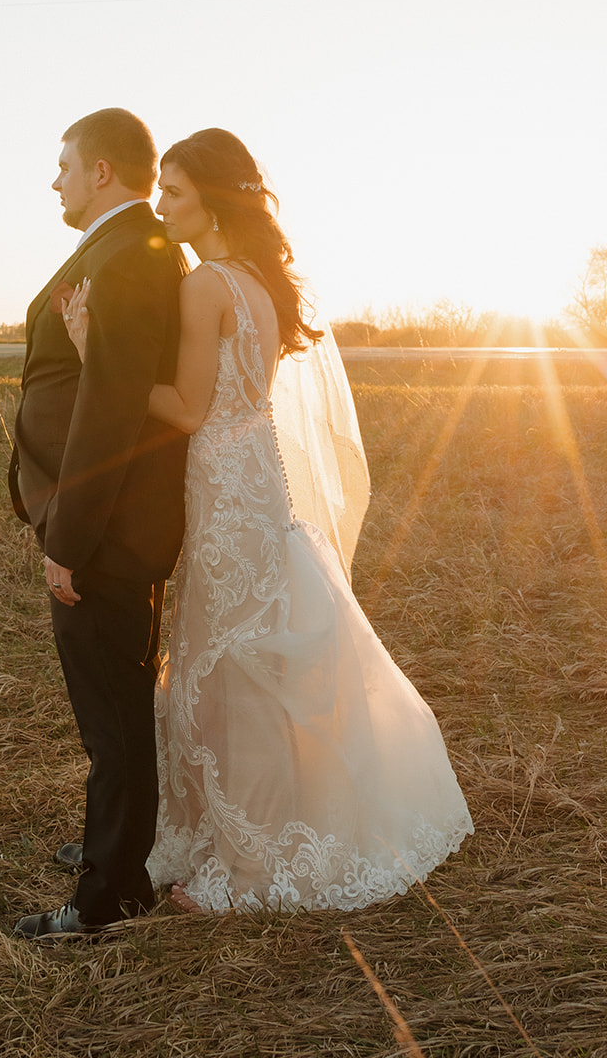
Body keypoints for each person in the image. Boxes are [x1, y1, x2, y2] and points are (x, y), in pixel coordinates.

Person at [64, 128, 472, 913]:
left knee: (224, 669)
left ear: (211, 200)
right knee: (253, 657)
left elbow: (185, 409)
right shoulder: (260, 281)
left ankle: (248, 867)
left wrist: (96, 354)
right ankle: (255, 830)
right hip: (261, 482)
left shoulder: (205, 285)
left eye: (174, 193)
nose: (162, 207)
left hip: (222, 484)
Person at [8, 108, 189, 940]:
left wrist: (67, 543)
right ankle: (110, 847)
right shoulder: (120, 249)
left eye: (64, 165)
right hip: (104, 527)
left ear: (103, 173)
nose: (55, 180)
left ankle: (108, 896)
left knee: (111, 722)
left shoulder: (129, 257)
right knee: (112, 711)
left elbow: (111, 412)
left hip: (104, 536)